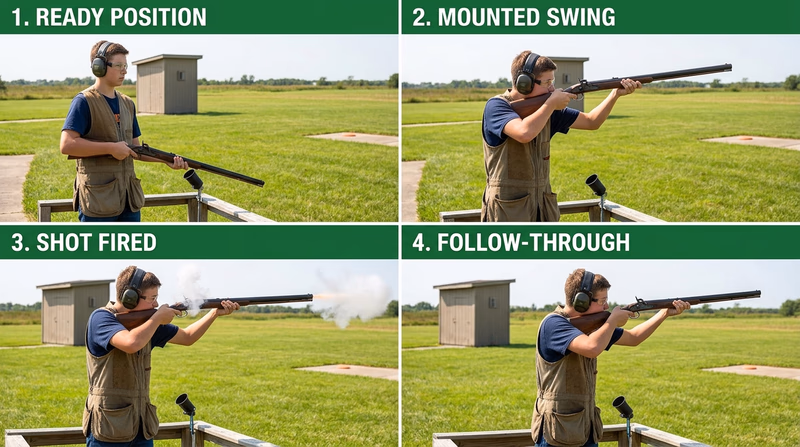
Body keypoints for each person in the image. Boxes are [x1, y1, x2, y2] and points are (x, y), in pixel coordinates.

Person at [531, 268, 690, 447]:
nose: (606, 306)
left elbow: (634, 337)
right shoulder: (553, 324)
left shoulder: (594, 326)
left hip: (584, 428)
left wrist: (664, 313)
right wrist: (612, 320)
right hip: (556, 432)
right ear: (581, 302)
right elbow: (592, 348)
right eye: (602, 301)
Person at [83, 265, 239, 446]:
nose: (156, 304)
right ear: (130, 298)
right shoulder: (101, 318)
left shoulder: (148, 323)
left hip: (142, 427)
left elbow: (187, 337)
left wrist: (214, 313)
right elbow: (131, 343)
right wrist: (157, 318)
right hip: (107, 428)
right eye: (152, 298)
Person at [481, 51, 642, 222]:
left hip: (542, 208)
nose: (552, 88)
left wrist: (615, 94)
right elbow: (524, 133)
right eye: (547, 82)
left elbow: (591, 121)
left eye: (552, 82)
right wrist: (551, 104)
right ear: (524, 84)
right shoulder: (497, 106)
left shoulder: (547, 109)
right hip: (508, 212)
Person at [60, 40, 188, 222]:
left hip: (129, 200)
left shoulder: (127, 103)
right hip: (98, 201)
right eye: (118, 65)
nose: (124, 71)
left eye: (125, 66)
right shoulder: (84, 101)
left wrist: (166, 160)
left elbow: (136, 150)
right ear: (99, 67)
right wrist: (111, 148)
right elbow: (67, 145)